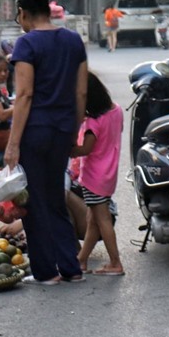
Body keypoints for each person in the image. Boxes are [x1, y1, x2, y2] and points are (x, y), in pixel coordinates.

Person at [4, 0, 88, 285]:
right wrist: (73, 130)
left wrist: (13, 144)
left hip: (35, 132)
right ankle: (71, 267)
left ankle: (45, 271)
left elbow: (24, 95)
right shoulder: (73, 40)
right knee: (56, 198)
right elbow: (81, 92)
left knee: (33, 203)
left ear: (23, 13)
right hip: (63, 129)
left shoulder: (27, 44)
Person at [71, 73, 124, 276]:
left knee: (102, 219)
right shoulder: (116, 110)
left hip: (94, 177)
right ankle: (81, 260)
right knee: (92, 219)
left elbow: (85, 150)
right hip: (109, 173)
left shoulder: (93, 123)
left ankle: (115, 262)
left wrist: (68, 149)